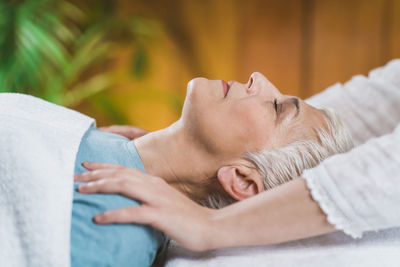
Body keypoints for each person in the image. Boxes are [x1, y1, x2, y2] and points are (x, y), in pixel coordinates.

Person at [75, 59, 400, 255]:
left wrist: (210, 224)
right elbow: (381, 98)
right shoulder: (103, 145)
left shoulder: (111, 229)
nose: (258, 77)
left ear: (243, 180)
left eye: (276, 107)